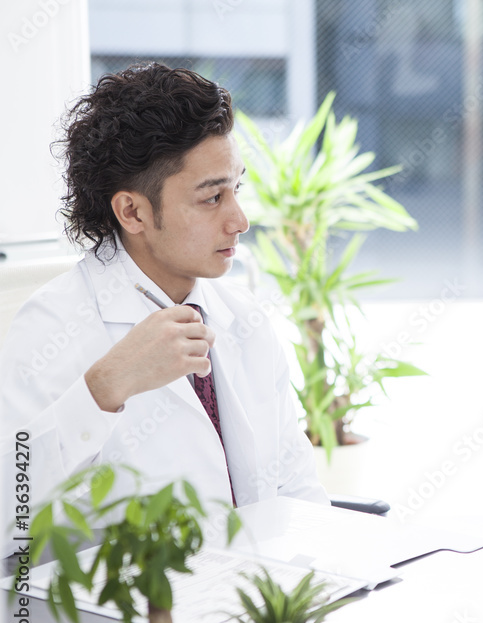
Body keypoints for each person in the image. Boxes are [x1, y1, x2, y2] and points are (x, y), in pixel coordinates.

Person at [0, 63, 328, 529]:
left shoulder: (243, 318)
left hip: (255, 591)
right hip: (126, 601)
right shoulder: (52, 325)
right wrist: (104, 390)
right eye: (212, 198)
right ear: (132, 211)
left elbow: (299, 493)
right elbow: (10, 518)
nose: (240, 221)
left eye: (236, 188)